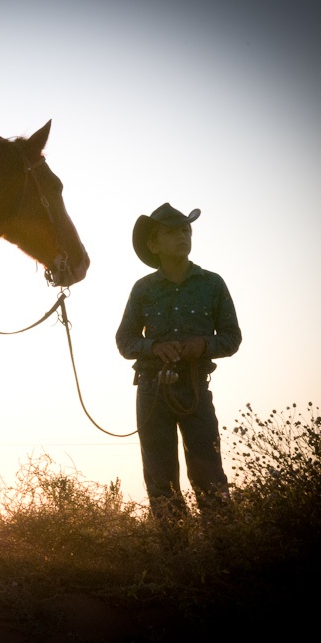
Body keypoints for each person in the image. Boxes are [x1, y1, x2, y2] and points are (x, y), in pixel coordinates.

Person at [116, 203, 242, 520]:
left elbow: (232, 337)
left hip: (196, 387)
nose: (182, 236)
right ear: (154, 244)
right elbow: (125, 340)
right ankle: (175, 560)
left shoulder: (212, 284)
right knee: (160, 482)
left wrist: (202, 345)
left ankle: (225, 556)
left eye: (185, 230)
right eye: (172, 232)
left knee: (210, 477)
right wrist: (154, 347)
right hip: (151, 390)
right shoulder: (143, 289)